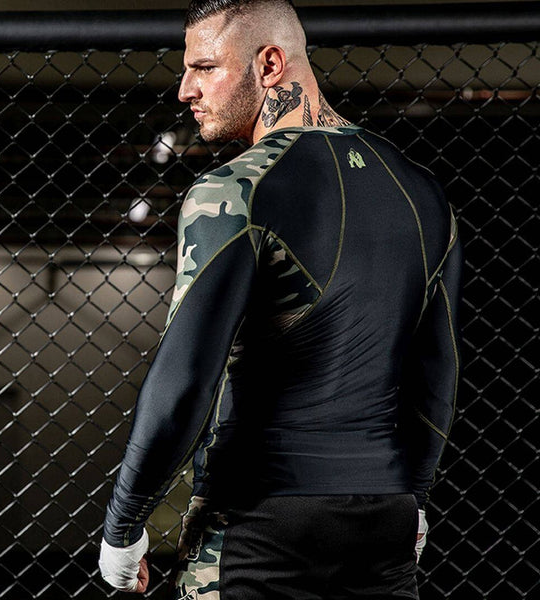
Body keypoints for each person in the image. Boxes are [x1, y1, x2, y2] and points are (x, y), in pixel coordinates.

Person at [98, 1, 462, 598]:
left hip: (259, 518)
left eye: (205, 67)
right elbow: (437, 372)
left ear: (269, 64)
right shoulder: (422, 190)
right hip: (384, 517)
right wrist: (415, 497)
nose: (186, 89)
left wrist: (124, 522)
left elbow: (186, 379)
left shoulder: (236, 189)